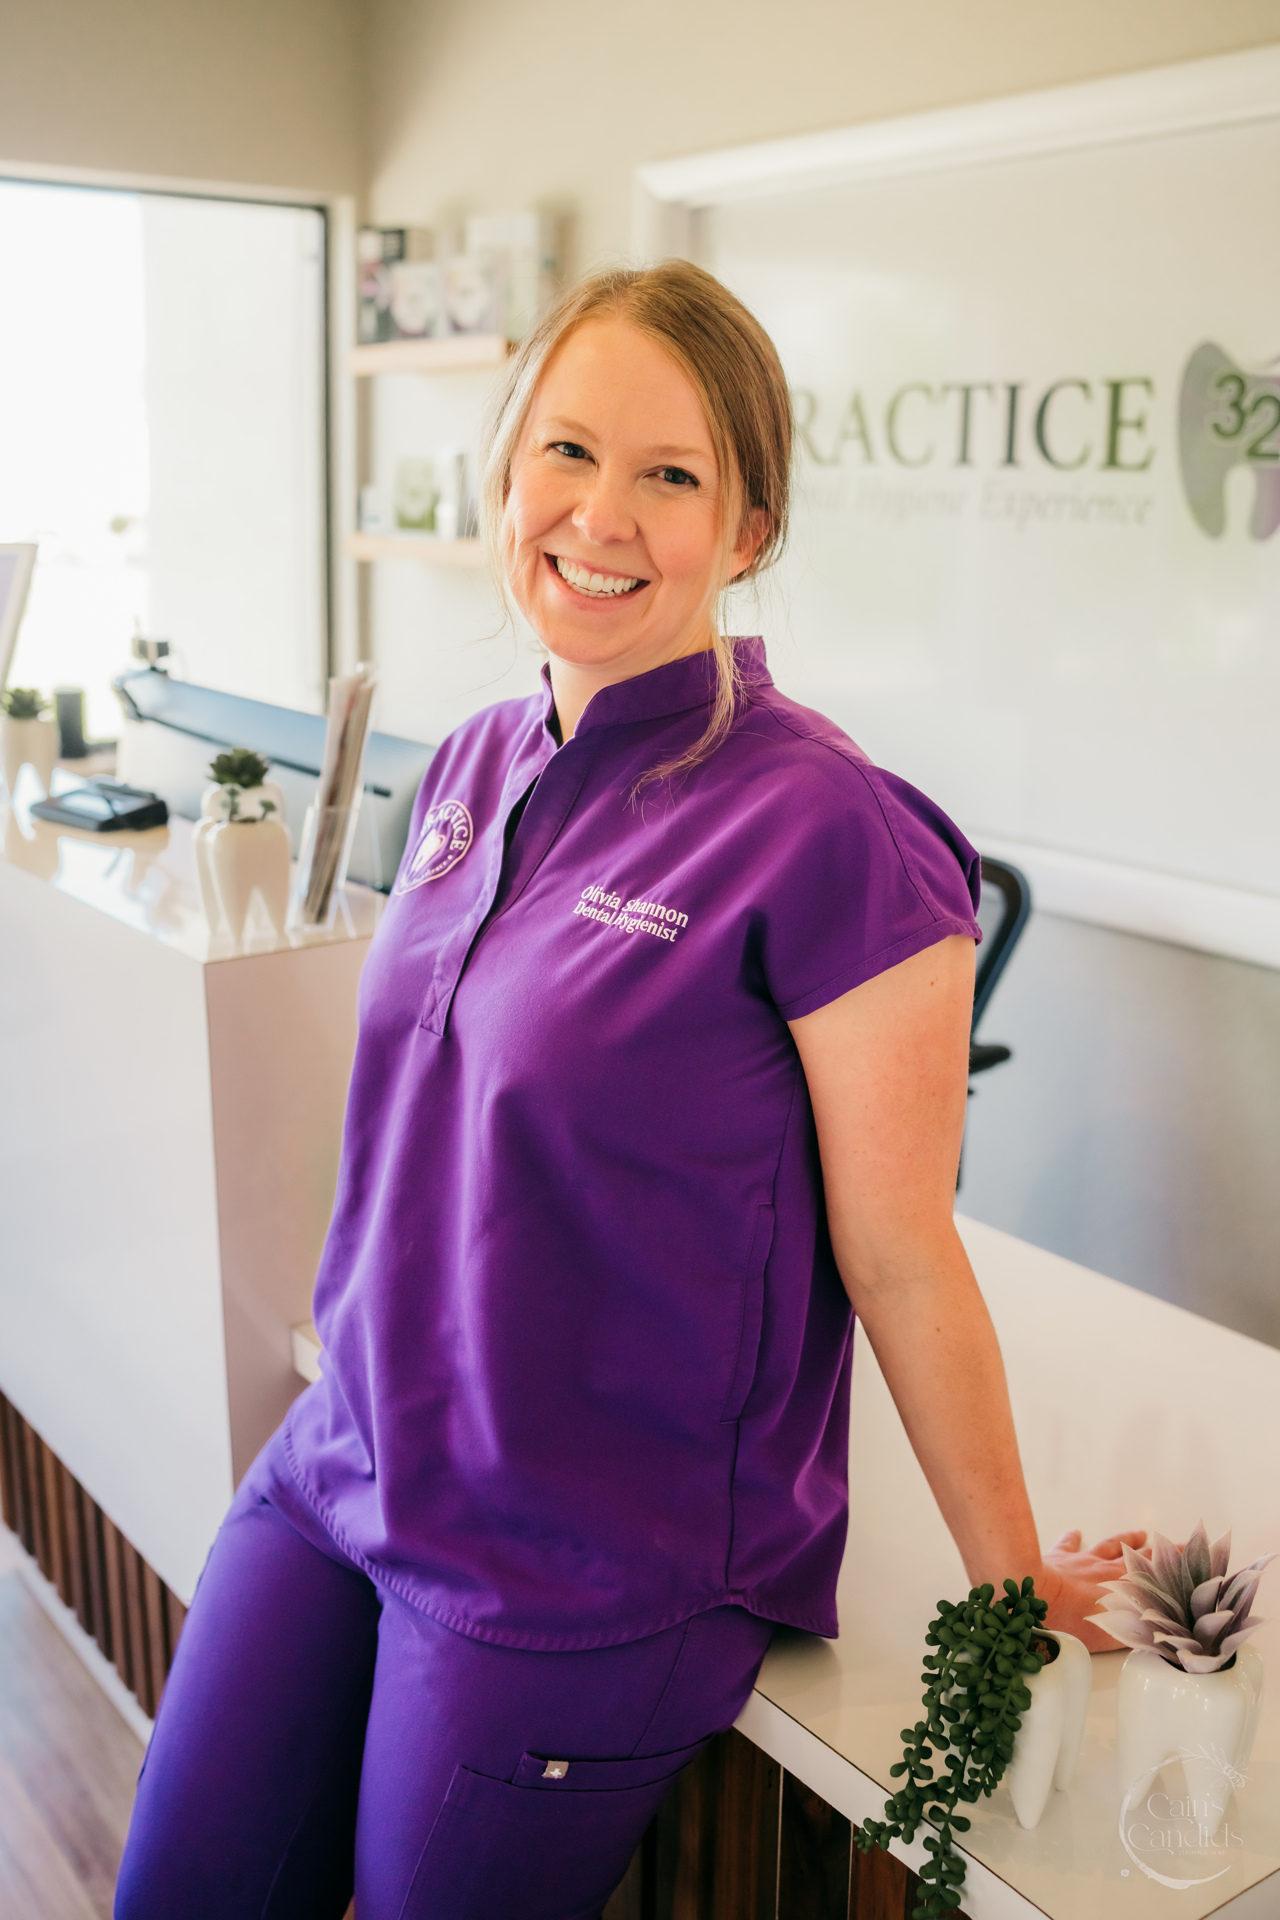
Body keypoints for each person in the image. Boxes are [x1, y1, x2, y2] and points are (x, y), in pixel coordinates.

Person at [115, 262, 1143, 1920]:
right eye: (568, 453)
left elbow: (903, 1256)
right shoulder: (466, 763)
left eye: (673, 476)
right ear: (505, 471)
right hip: (351, 1460)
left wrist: (1007, 1580)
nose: (602, 515)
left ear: (746, 530)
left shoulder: (837, 838)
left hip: (583, 1563)